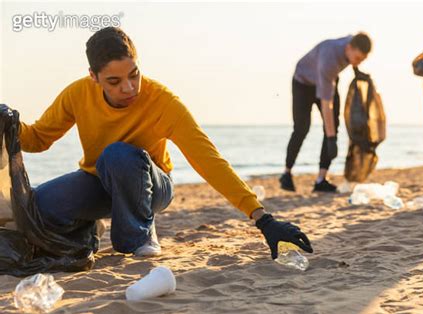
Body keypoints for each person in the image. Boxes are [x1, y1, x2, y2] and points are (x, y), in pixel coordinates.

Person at [0, 27, 312, 260]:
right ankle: (91, 229)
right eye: (114, 81)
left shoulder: (162, 101)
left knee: (118, 155)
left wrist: (263, 219)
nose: (129, 87)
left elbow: (208, 159)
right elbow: (38, 139)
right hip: (100, 182)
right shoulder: (77, 94)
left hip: (152, 184)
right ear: (93, 77)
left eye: (133, 74)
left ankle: (138, 235)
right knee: (40, 206)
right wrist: (8, 123)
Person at [280, 33, 372, 193]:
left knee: (333, 126)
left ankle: (321, 179)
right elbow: (326, 105)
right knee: (302, 128)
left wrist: (356, 69)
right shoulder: (329, 61)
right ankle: (286, 173)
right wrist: (331, 139)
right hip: (303, 82)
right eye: (357, 58)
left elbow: (353, 57)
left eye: (361, 60)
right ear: (348, 48)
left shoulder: (353, 42)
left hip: (328, 79)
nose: (357, 62)